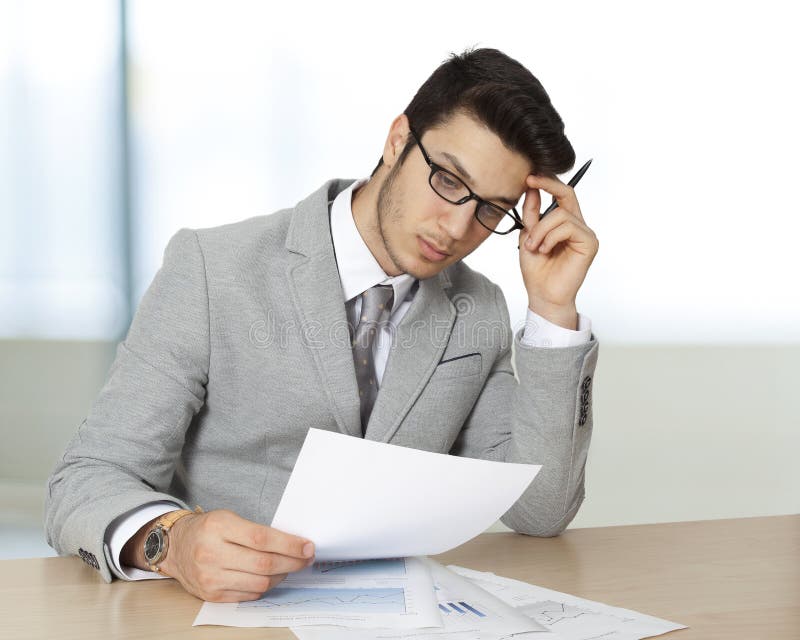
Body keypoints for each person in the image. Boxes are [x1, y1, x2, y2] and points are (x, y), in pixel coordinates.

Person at [45, 47, 599, 603]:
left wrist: (553, 310)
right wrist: (173, 540)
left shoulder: (478, 307)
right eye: (449, 181)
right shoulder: (214, 269)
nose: (457, 227)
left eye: (491, 210)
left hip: (399, 618)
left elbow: (539, 509)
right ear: (397, 140)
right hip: (224, 613)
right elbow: (87, 478)